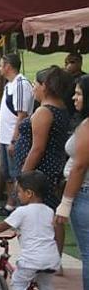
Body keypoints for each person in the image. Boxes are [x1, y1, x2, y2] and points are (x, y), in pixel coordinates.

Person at [15, 66, 73, 258]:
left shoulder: (44, 112)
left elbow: (37, 148)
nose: (33, 89)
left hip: (40, 172)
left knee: (36, 215)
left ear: (45, 86)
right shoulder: (62, 109)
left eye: (35, 84)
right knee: (52, 215)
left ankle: (40, 256)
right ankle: (55, 257)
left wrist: (24, 175)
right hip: (53, 166)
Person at [0, 170, 61, 290]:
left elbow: (4, 225)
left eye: (19, 192)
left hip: (31, 260)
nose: (18, 195)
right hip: (51, 258)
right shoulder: (50, 211)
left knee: (18, 282)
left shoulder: (21, 211)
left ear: (29, 193)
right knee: (46, 285)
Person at [55, 74, 89, 290]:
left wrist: (65, 203)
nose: (74, 98)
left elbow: (79, 166)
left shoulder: (87, 126)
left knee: (87, 252)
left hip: (84, 192)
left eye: (79, 94)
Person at [0, 53, 35, 217]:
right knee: (7, 173)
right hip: (5, 136)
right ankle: (10, 205)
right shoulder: (9, 85)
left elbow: (22, 114)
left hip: (14, 137)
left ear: (8, 66)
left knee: (17, 172)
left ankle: (17, 205)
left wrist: (14, 139)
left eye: (1, 65)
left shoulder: (21, 84)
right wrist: (0, 136)